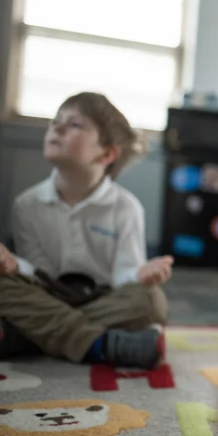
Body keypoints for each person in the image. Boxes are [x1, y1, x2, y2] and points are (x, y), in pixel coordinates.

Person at [0, 92, 173, 369]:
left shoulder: (127, 208)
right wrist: (13, 265)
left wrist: (140, 275)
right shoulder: (27, 205)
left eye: (75, 124)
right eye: (55, 121)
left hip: (102, 298)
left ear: (107, 153)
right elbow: (39, 272)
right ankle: (102, 344)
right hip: (47, 295)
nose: (56, 128)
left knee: (151, 301)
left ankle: (25, 336)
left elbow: (122, 277)